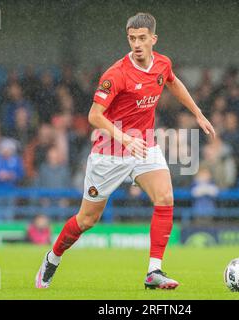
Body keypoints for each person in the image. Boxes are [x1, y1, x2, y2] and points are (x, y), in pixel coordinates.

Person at [35, 12, 215, 290]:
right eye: (132, 39)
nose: (137, 44)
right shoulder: (116, 74)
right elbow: (94, 115)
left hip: (144, 146)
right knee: (87, 219)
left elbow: (173, 82)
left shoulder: (163, 63)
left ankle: (154, 271)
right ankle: (53, 257)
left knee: (165, 197)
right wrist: (123, 137)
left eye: (142, 38)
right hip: (109, 152)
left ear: (153, 39)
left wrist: (198, 113)